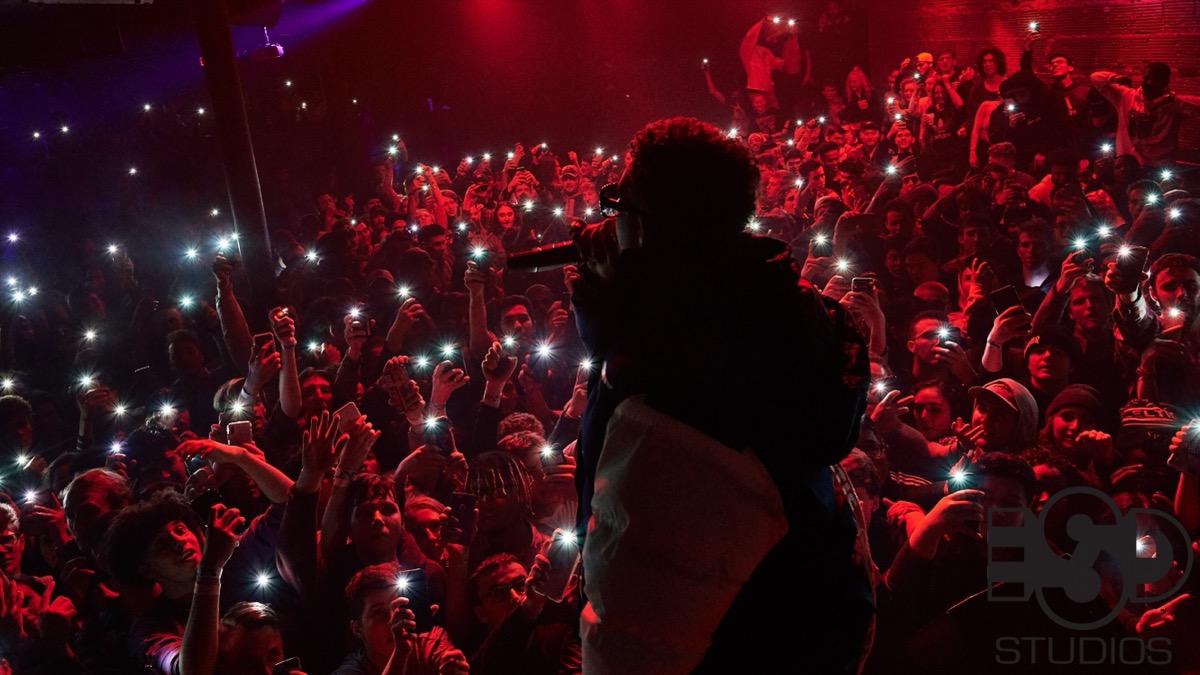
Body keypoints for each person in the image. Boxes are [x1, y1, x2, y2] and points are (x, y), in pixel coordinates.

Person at [570, 116, 872, 673]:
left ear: (651, 226)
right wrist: (613, 296)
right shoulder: (779, 307)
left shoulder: (668, 425)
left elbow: (627, 646)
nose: (607, 225)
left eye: (619, 207)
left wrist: (620, 294)